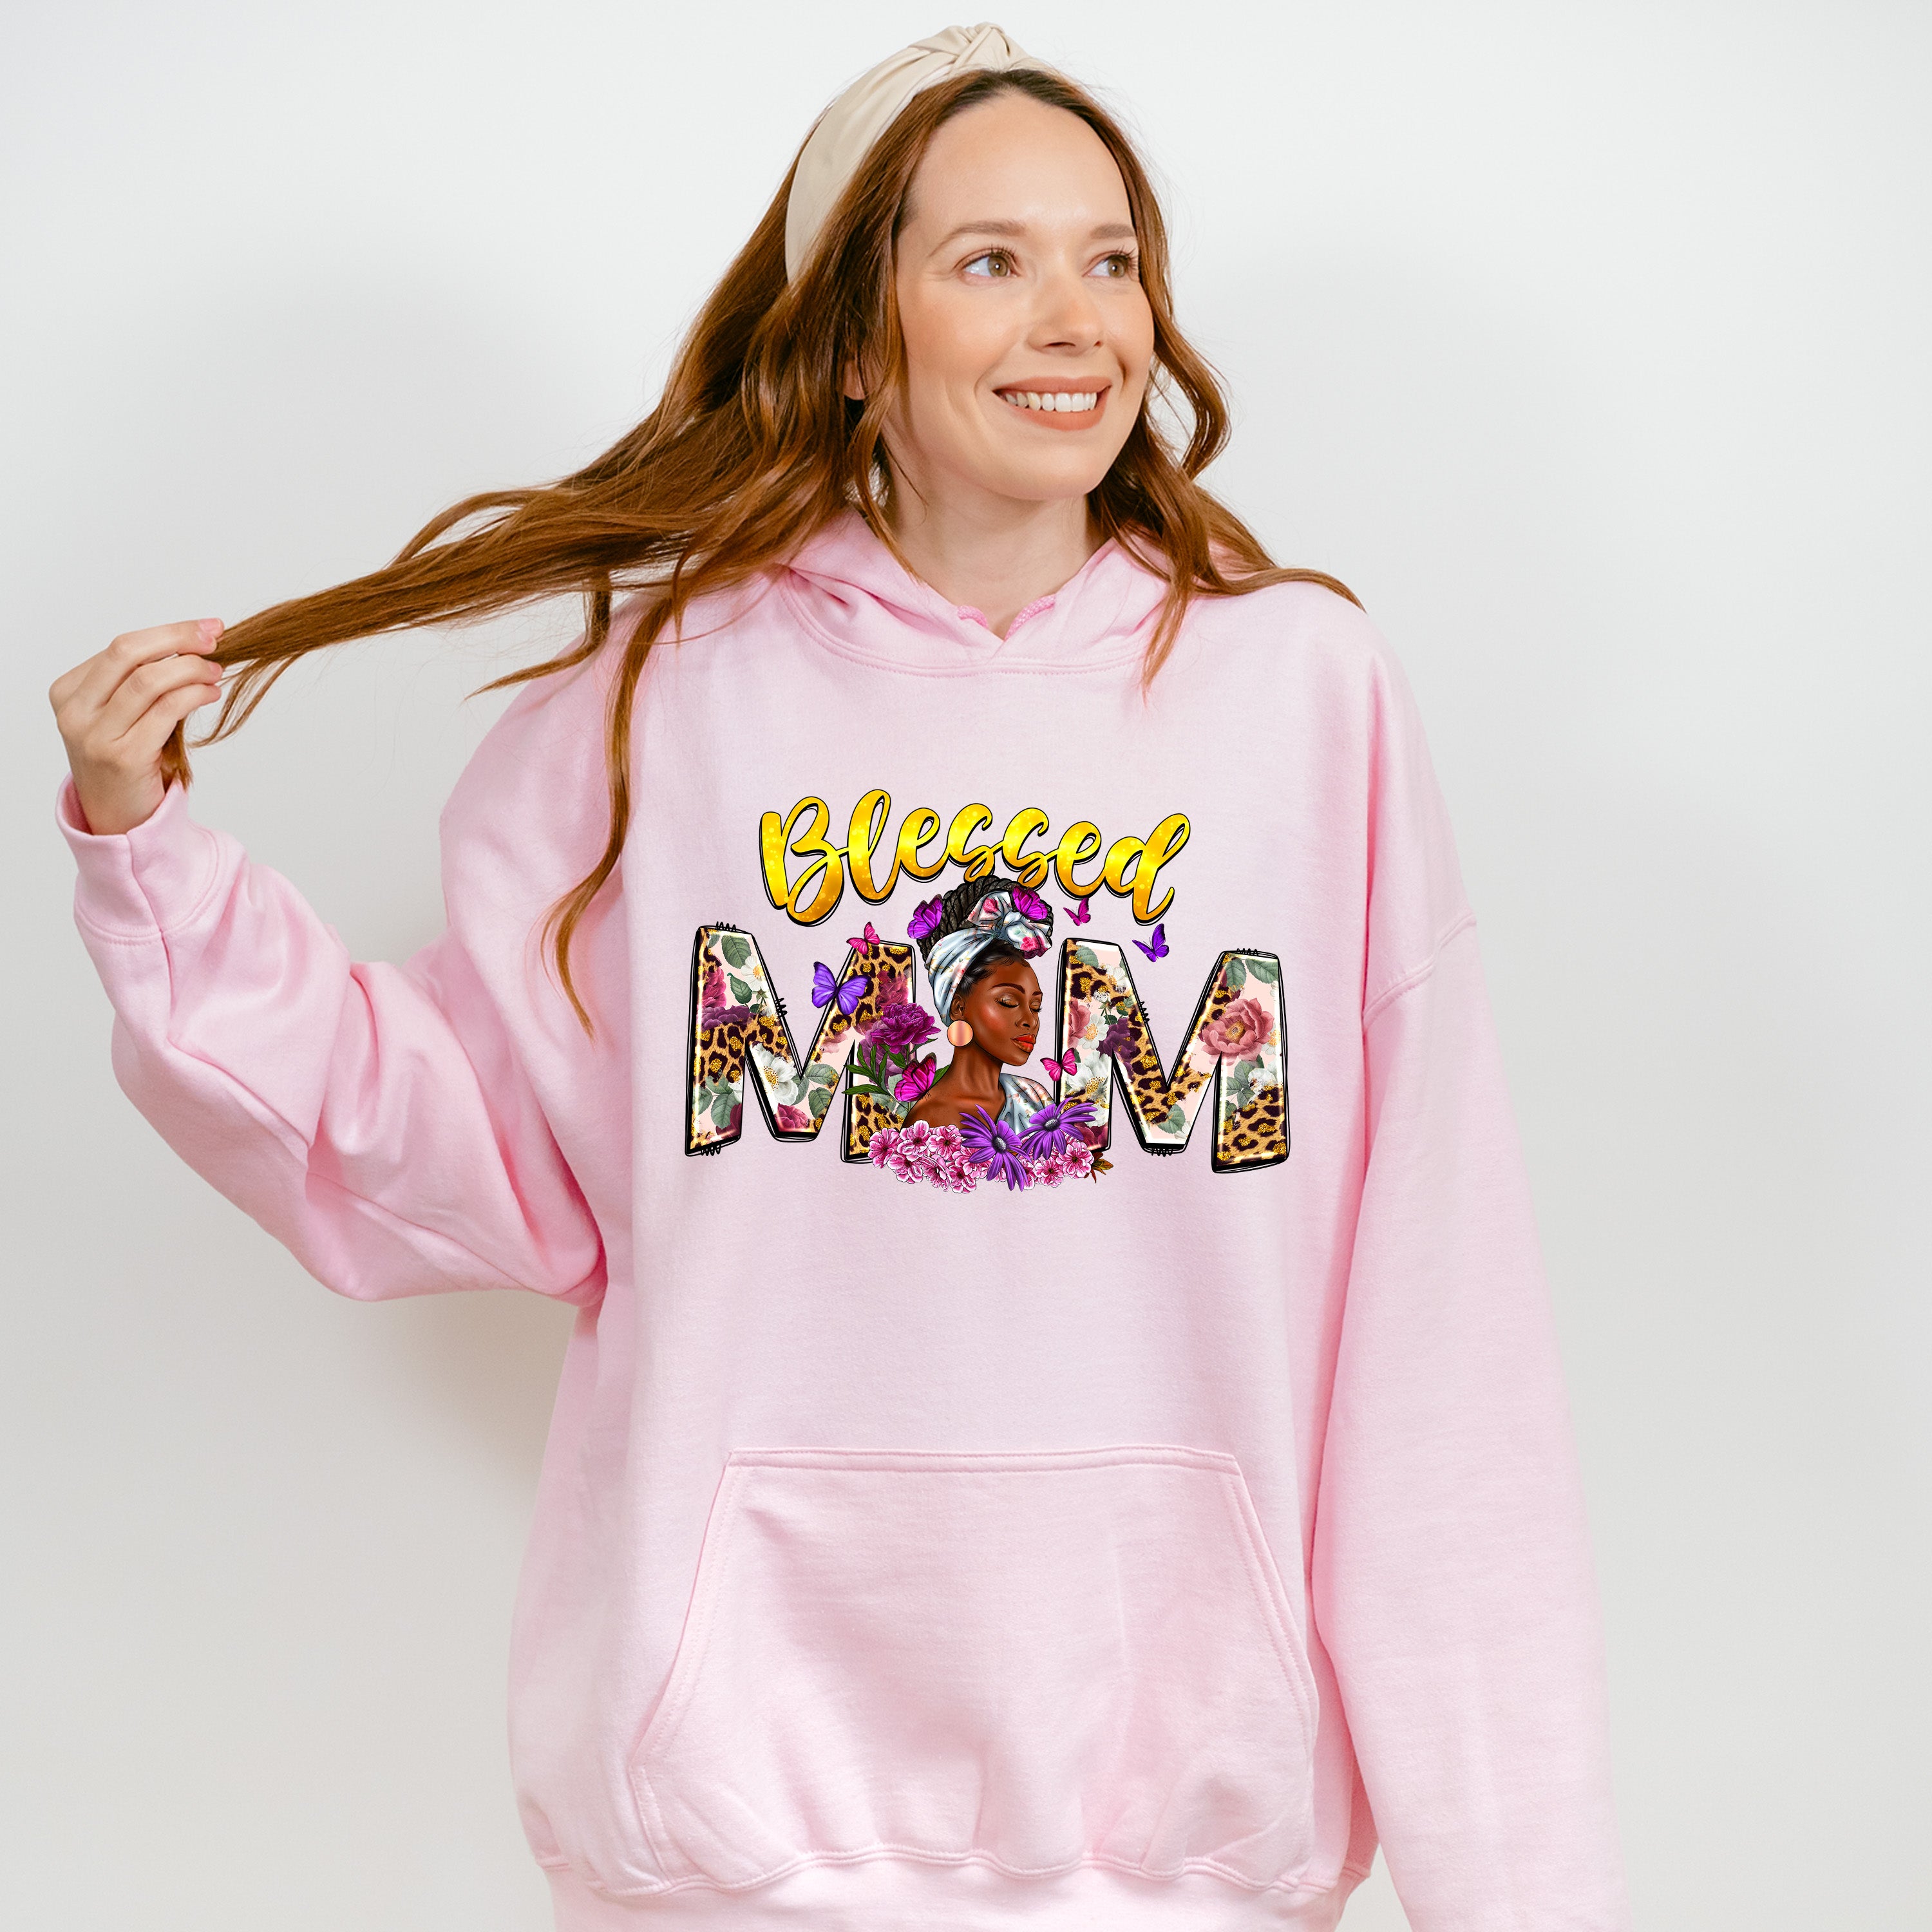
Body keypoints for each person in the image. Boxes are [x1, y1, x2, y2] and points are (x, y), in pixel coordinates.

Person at [47, 22, 1634, 1932]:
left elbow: (1440, 1332)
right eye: (991, 259)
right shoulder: (667, 702)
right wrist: (147, 853)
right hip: (742, 1840)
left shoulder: (1304, 699)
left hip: (1188, 1851)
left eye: (1110, 259)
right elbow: (437, 1137)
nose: (1074, 319)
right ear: (858, 337)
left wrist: (1520, 1895)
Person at [904, 875, 1054, 1135]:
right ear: (958, 1008)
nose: (1030, 1020)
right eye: (1008, 1002)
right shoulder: (930, 1122)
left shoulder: (1034, 1098)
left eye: (1036, 1006)